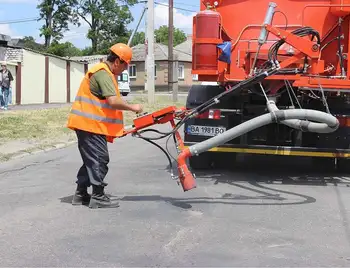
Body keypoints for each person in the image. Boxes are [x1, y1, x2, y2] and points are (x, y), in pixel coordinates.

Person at [67, 43, 143, 209]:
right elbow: (113, 101)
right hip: (90, 125)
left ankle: (80, 194)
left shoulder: (104, 72)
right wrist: (133, 108)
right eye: (125, 66)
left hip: (89, 125)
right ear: (117, 61)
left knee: (91, 160)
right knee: (100, 159)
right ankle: (98, 196)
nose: (124, 70)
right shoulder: (103, 73)